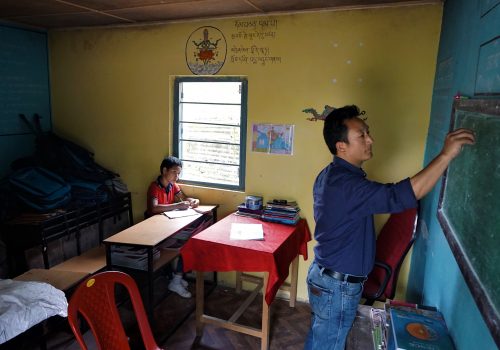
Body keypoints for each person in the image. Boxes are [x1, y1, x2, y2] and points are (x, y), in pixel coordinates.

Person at [305, 105, 475, 350]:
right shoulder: (346, 186)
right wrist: (446, 155)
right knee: (328, 344)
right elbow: (403, 194)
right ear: (341, 146)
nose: (370, 139)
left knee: (321, 337)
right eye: (361, 135)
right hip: (337, 285)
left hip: (326, 277)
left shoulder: (332, 174)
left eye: (368, 132)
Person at [146, 156, 200, 298]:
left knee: (192, 239)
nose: (177, 176)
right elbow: (154, 208)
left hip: (169, 226)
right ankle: (176, 279)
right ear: (164, 170)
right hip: (156, 230)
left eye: (179, 173)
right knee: (187, 244)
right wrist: (177, 205)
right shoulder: (155, 187)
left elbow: (183, 197)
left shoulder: (173, 186)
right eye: (174, 172)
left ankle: (177, 278)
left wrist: (193, 200)